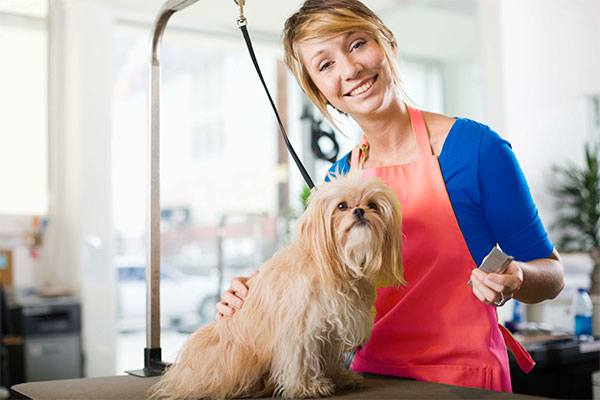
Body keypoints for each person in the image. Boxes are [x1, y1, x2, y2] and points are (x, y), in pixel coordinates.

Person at [216, 0, 565, 392]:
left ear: (389, 43)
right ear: (320, 92)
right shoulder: (338, 180)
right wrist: (252, 292)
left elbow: (552, 274)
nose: (350, 69)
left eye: (357, 43)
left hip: (463, 379)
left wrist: (518, 278)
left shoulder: (476, 149)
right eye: (325, 64)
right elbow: (308, 273)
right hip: (365, 378)